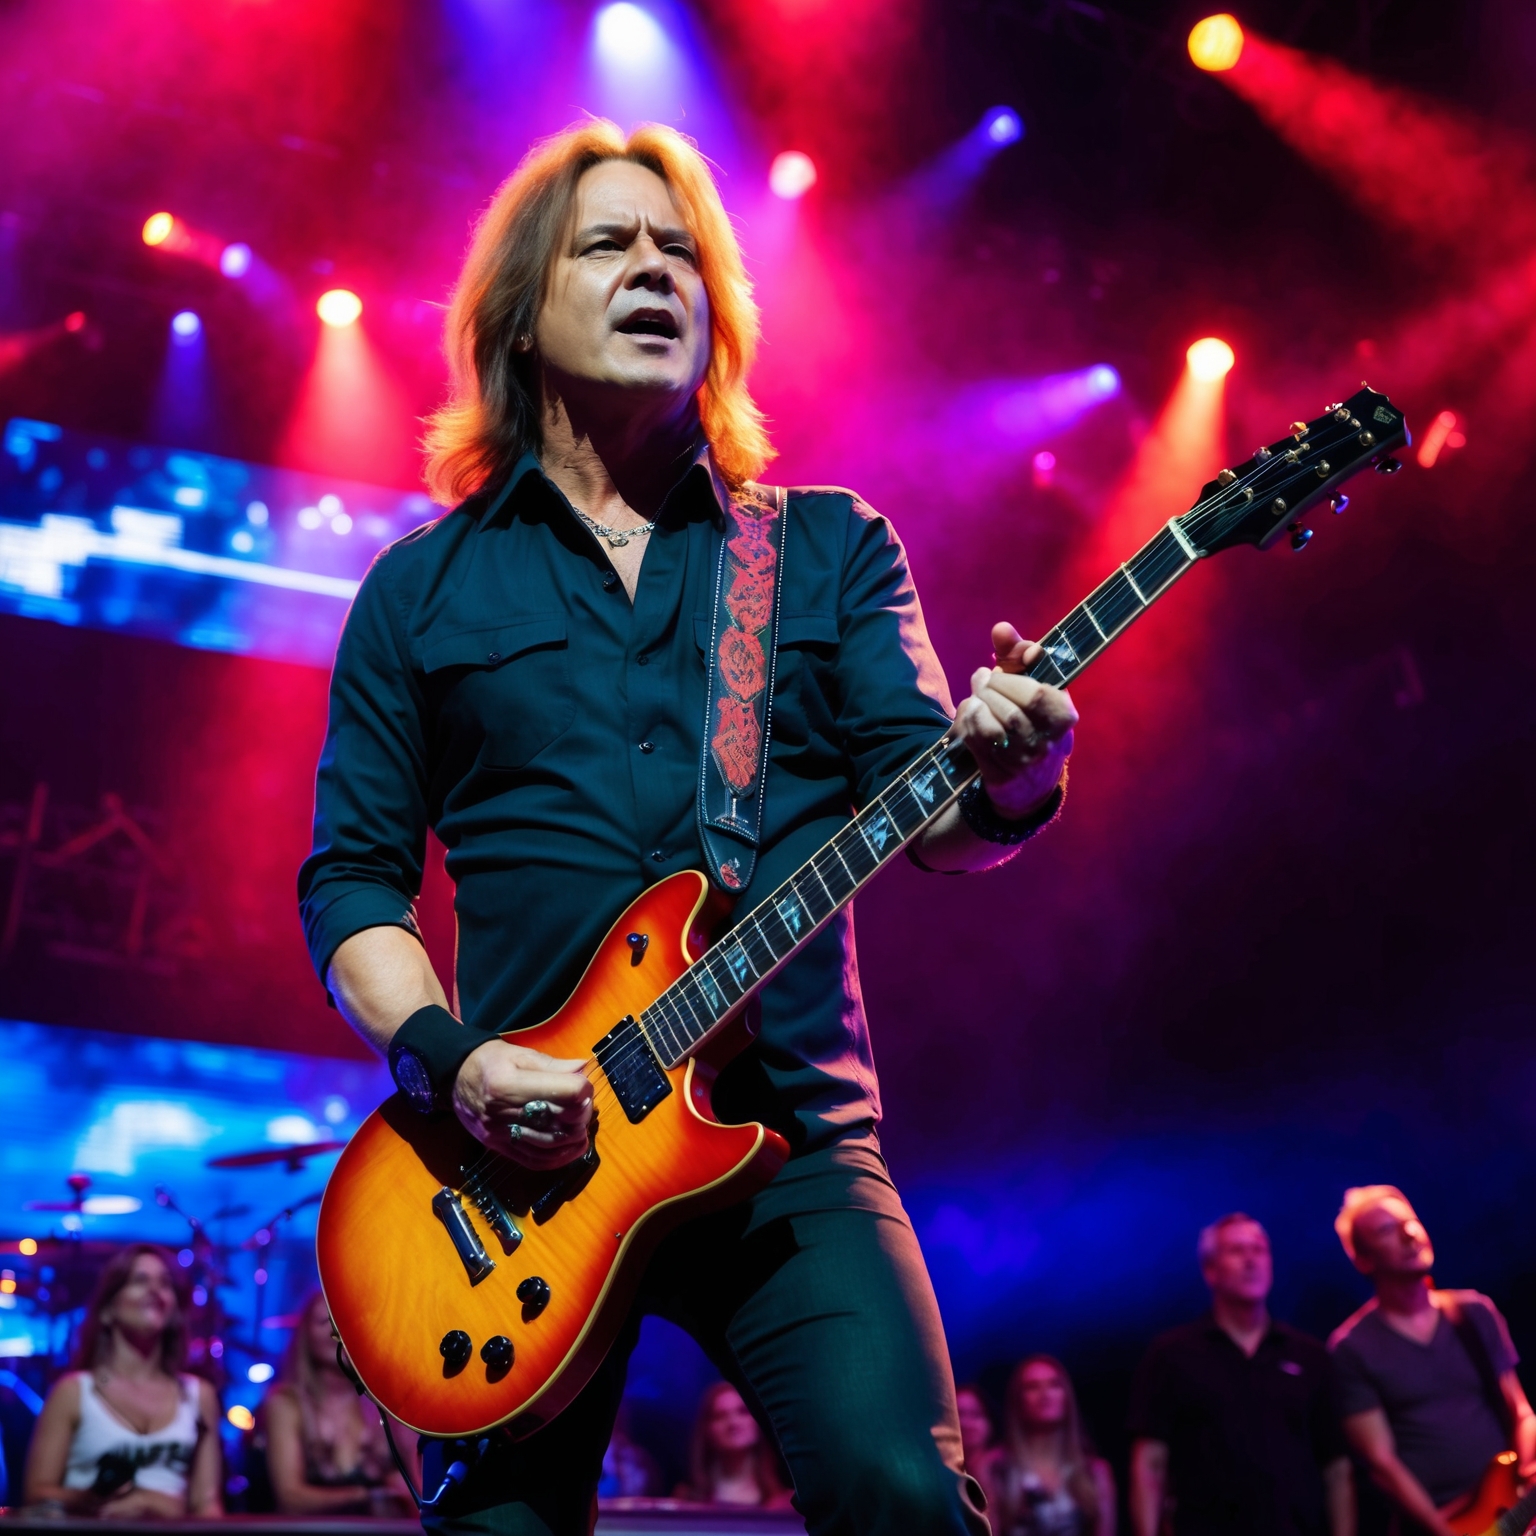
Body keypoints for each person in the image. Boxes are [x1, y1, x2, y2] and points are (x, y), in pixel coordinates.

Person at [297, 117, 1076, 1536]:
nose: (656, 269)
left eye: (682, 252)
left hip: (788, 1141)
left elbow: (942, 816)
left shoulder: (831, 548)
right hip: (513, 1177)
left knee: (904, 1495)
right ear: (523, 315)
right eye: (609, 245)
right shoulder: (418, 594)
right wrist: (459, 1068)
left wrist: (1015, 773)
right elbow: (353, 888)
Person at [1328, 1185, 1536, 1536]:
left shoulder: (1473, 1312)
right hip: (1440, 1523)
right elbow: (1382, 1462)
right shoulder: (1352, 1348)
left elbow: (1520, 1411)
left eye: (1411, 1222)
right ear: (1363, 1260)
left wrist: (1528, 1468)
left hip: (1507, 1510)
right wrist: (1443, 1531)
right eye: (1386, 1230)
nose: (1409, 1234)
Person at [1128, 1213, 1353, 1536]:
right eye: (1236, 1251)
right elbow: (1150, 1463)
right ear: (1210, 1271)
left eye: (1259, 1250)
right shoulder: (1172, 1354)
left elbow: (1336, 1467)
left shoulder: (1309, 1355)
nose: (1251, 1260)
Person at [23, 1243, 223, 1519]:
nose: (155, 1291)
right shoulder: (74, 1391)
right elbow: (36, 1494)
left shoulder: (199, 1395)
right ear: (107, 1309)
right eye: (139, 1281)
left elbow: (207, 1506)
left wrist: (157, 1505)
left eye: (164, 1283)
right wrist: (93, 1500)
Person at [260, 1289, 414, 1516]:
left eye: (343, 1320)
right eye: (324, 1321)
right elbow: (290, 1497)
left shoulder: (387, 1402)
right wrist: (366, 1495)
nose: (334, 1331)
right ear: (305, 1334)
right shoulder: (285, 1404)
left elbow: (418, 1488)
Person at [993, 1355, 1114, 1536]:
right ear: (1017, 1400)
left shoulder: (1095, 1471)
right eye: (1032, 1387)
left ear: (1067, 1396)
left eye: (1054, 1385)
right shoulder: (995, 1467)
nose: (1045, 1394)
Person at [672, 1381, 791, 1506]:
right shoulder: (686, 1498)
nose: (733, 1423)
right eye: (720, 1415)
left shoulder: (784, 1502)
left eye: (742, 1412)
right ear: (707, 1429)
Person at [955, 1383, 1002, 1516]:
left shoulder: (1006, 1469)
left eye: (976, 1414)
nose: (966, 1423)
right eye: (959, 1414)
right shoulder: (938, 1477)